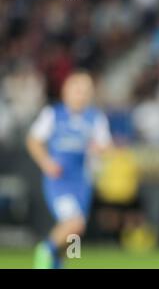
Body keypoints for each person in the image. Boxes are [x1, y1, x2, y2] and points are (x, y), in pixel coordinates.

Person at [27, 72, 112, 268]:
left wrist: (100, 150)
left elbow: (106, 146)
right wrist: (46, 162)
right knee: (74, 223)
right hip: (60, 180)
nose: (81, 95)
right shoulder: (53, 114)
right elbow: (33, 140)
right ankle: (45, 250)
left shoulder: (95, 118)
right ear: (66, 91)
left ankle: (56, 263)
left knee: (74, 233)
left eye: (85, 91)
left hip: (82, 181)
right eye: (77, 89)